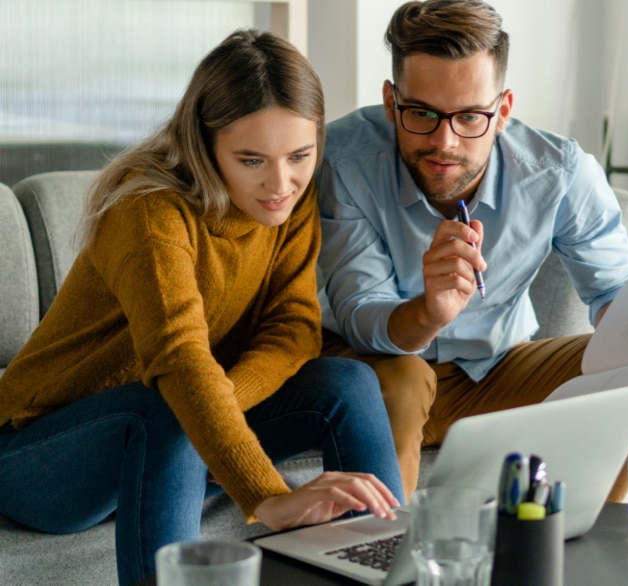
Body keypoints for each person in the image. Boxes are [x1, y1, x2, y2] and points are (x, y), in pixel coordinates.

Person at [0, 30, 402, 586]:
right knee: (169, 403)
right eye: (251, 159)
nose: (280, 183)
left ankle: (389, 570)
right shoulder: (150, 211)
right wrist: (267, 494)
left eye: (300, 156)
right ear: (204, 144)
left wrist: (218, 410)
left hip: (175, 434)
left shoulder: (289, 201)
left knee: (347, 382)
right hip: (40, 456)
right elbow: (180, 360)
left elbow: (293, 328)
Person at [317, 0, 628, 502]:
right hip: (379, 367)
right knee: (402, 380)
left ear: (503, 110)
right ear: (390, 102)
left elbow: (619, 292)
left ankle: (604, 543)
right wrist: (428, 311)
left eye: (469, 117)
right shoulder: (343, 159)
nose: (445, 142)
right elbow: (360, 314)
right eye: (421, 113)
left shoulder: (559, 172)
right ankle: (383, 560)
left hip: (495, 370)